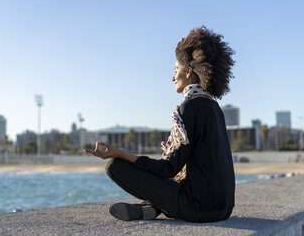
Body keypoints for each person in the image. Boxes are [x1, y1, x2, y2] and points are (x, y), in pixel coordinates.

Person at [83, 26, 235, 223]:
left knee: (114, 166)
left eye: (176, 70)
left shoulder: (187, 108)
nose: (173, 77)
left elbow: (167, 169)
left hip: (198, 209)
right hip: (223, 209)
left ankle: (154, 207)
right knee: (168, 182)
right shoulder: (214, 108)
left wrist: (120, 154)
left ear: (188, 72)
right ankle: (152, 209)